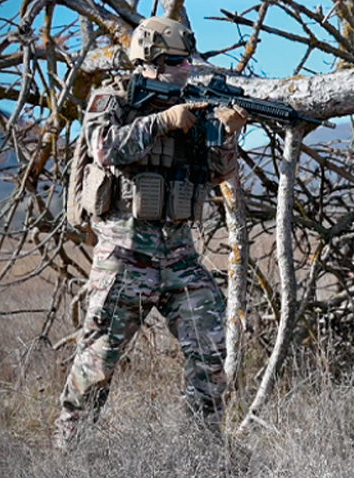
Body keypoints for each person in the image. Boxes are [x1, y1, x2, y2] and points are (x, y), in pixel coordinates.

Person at [52, 16, 249, 450]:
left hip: (180, 255)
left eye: (187, 62)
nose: (187, 69)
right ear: (153, 61)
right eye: (178, 61)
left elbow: (215, 174)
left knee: (212, 348)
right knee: (99, 358)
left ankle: (204, 451)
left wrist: (226, 134)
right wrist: (162, 122)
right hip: (125, 252)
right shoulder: (114, 99)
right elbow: (105, 149)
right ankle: (69, 453)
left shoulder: (193, 104)